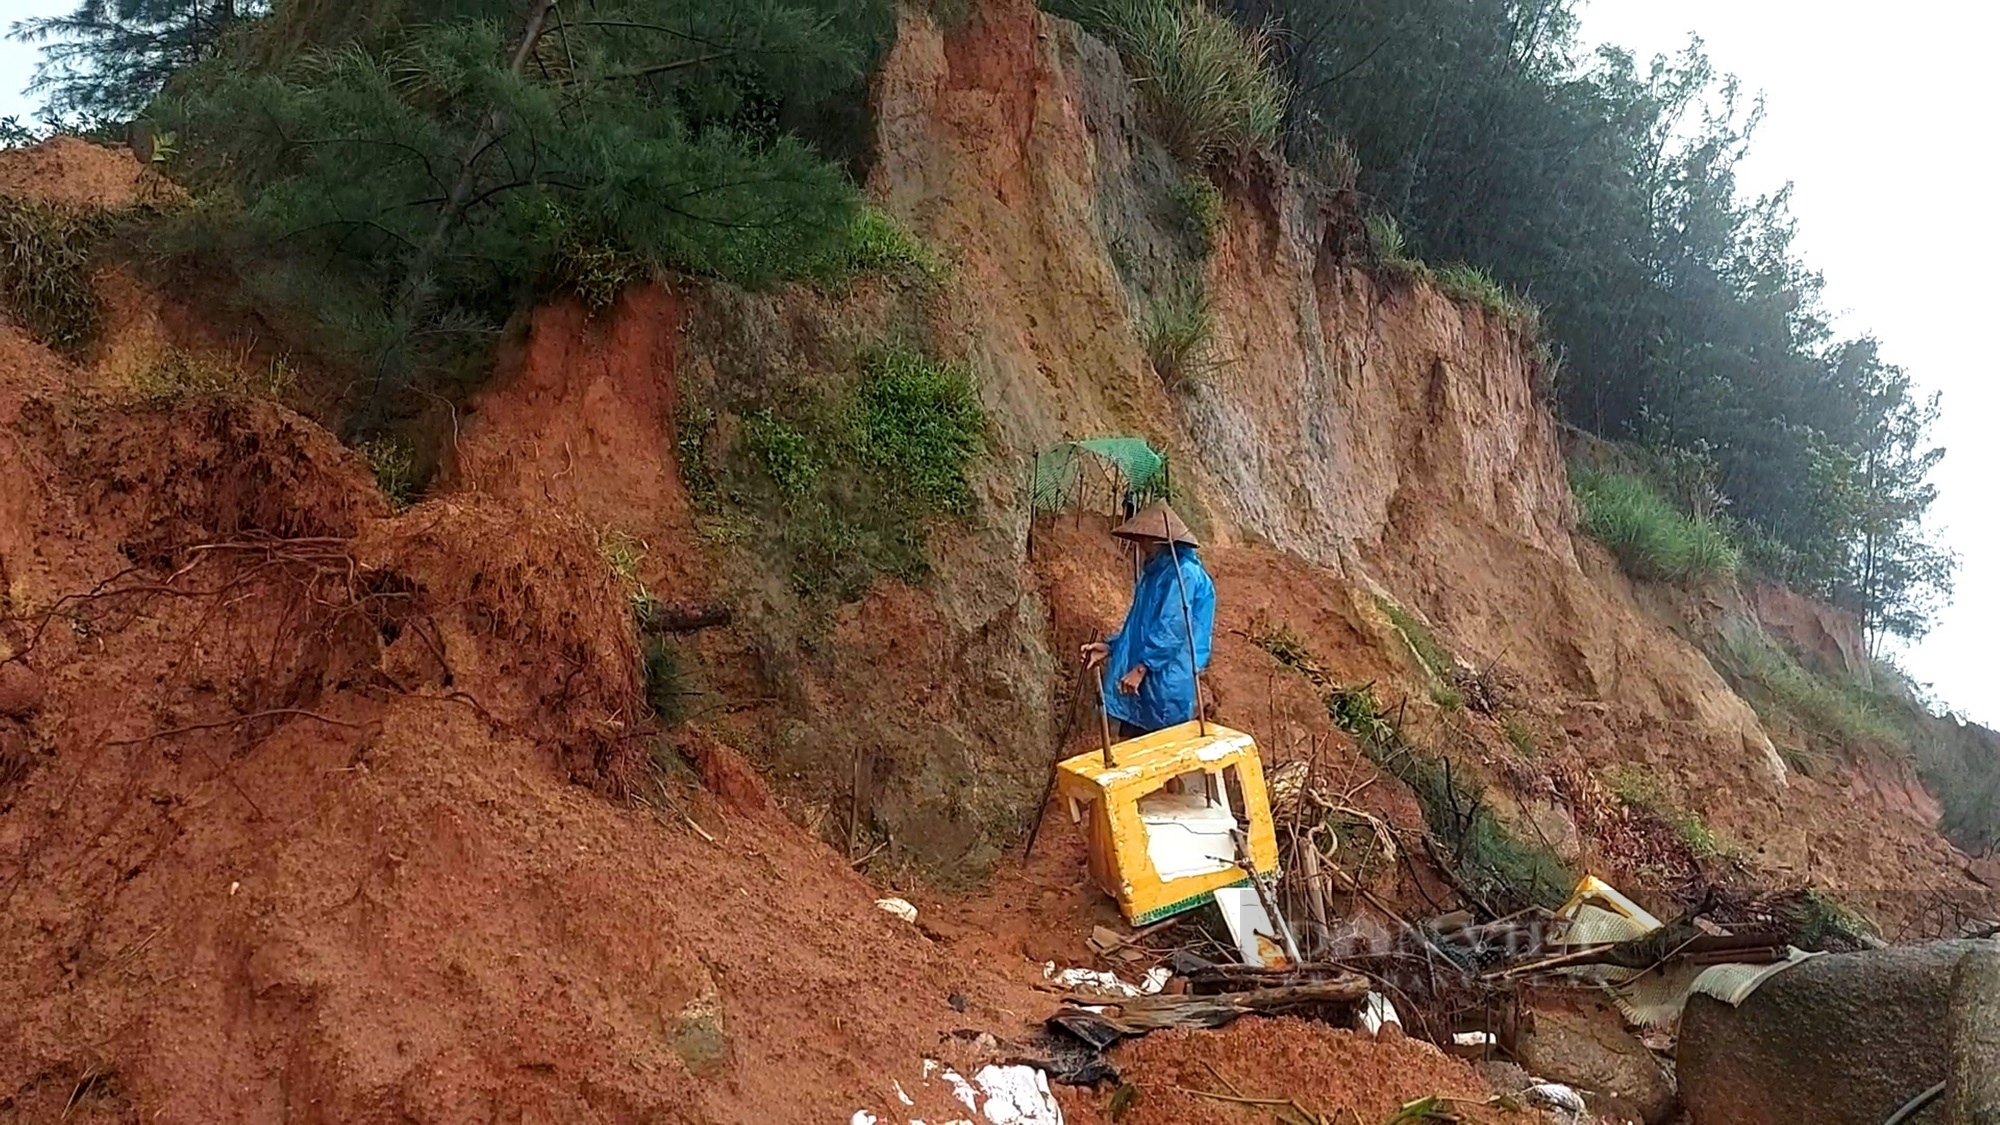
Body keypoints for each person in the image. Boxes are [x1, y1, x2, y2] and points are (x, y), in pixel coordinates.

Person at [1081, 501, 1216, 740]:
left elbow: (1172, 628)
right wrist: (1113, 646)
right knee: (1132, 751)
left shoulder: (1183, 573)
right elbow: (1142, 625)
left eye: (1145, 538)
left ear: (1160, 540)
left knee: (1157, 754)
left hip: (1164, 680)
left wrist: (1142, 667)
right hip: (1145, 679)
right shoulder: (1156, 572)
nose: (1141, 544)